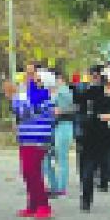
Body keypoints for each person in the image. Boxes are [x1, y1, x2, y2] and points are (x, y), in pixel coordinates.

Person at [5, 66, 55, 220]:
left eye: (37, 79)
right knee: (27, 172)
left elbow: (26, 111)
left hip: (37, 140)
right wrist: (14, 97)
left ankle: (44, 206)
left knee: (33, 172)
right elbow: (21, 110)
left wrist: (13, 97)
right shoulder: (31, 96)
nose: (33, 81)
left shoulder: (45, 97)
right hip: (26, 139)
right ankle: (33, 204)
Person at [74, 65, 110, 212]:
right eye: (93, 75)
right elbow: (78, 100)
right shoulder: (89, 91)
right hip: (91, 138)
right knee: (88, 172)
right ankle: (86, 200)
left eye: (98, 75)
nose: (95, 78)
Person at [43, 70, 76, 198]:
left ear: (59, 78)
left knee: (61, 157)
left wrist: (59, 110)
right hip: (55, 126)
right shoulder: (54, 91)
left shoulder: (64, 91)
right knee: (48, 157)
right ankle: (54, 185)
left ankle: (60, 187)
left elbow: (71, 108)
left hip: (63, 125)